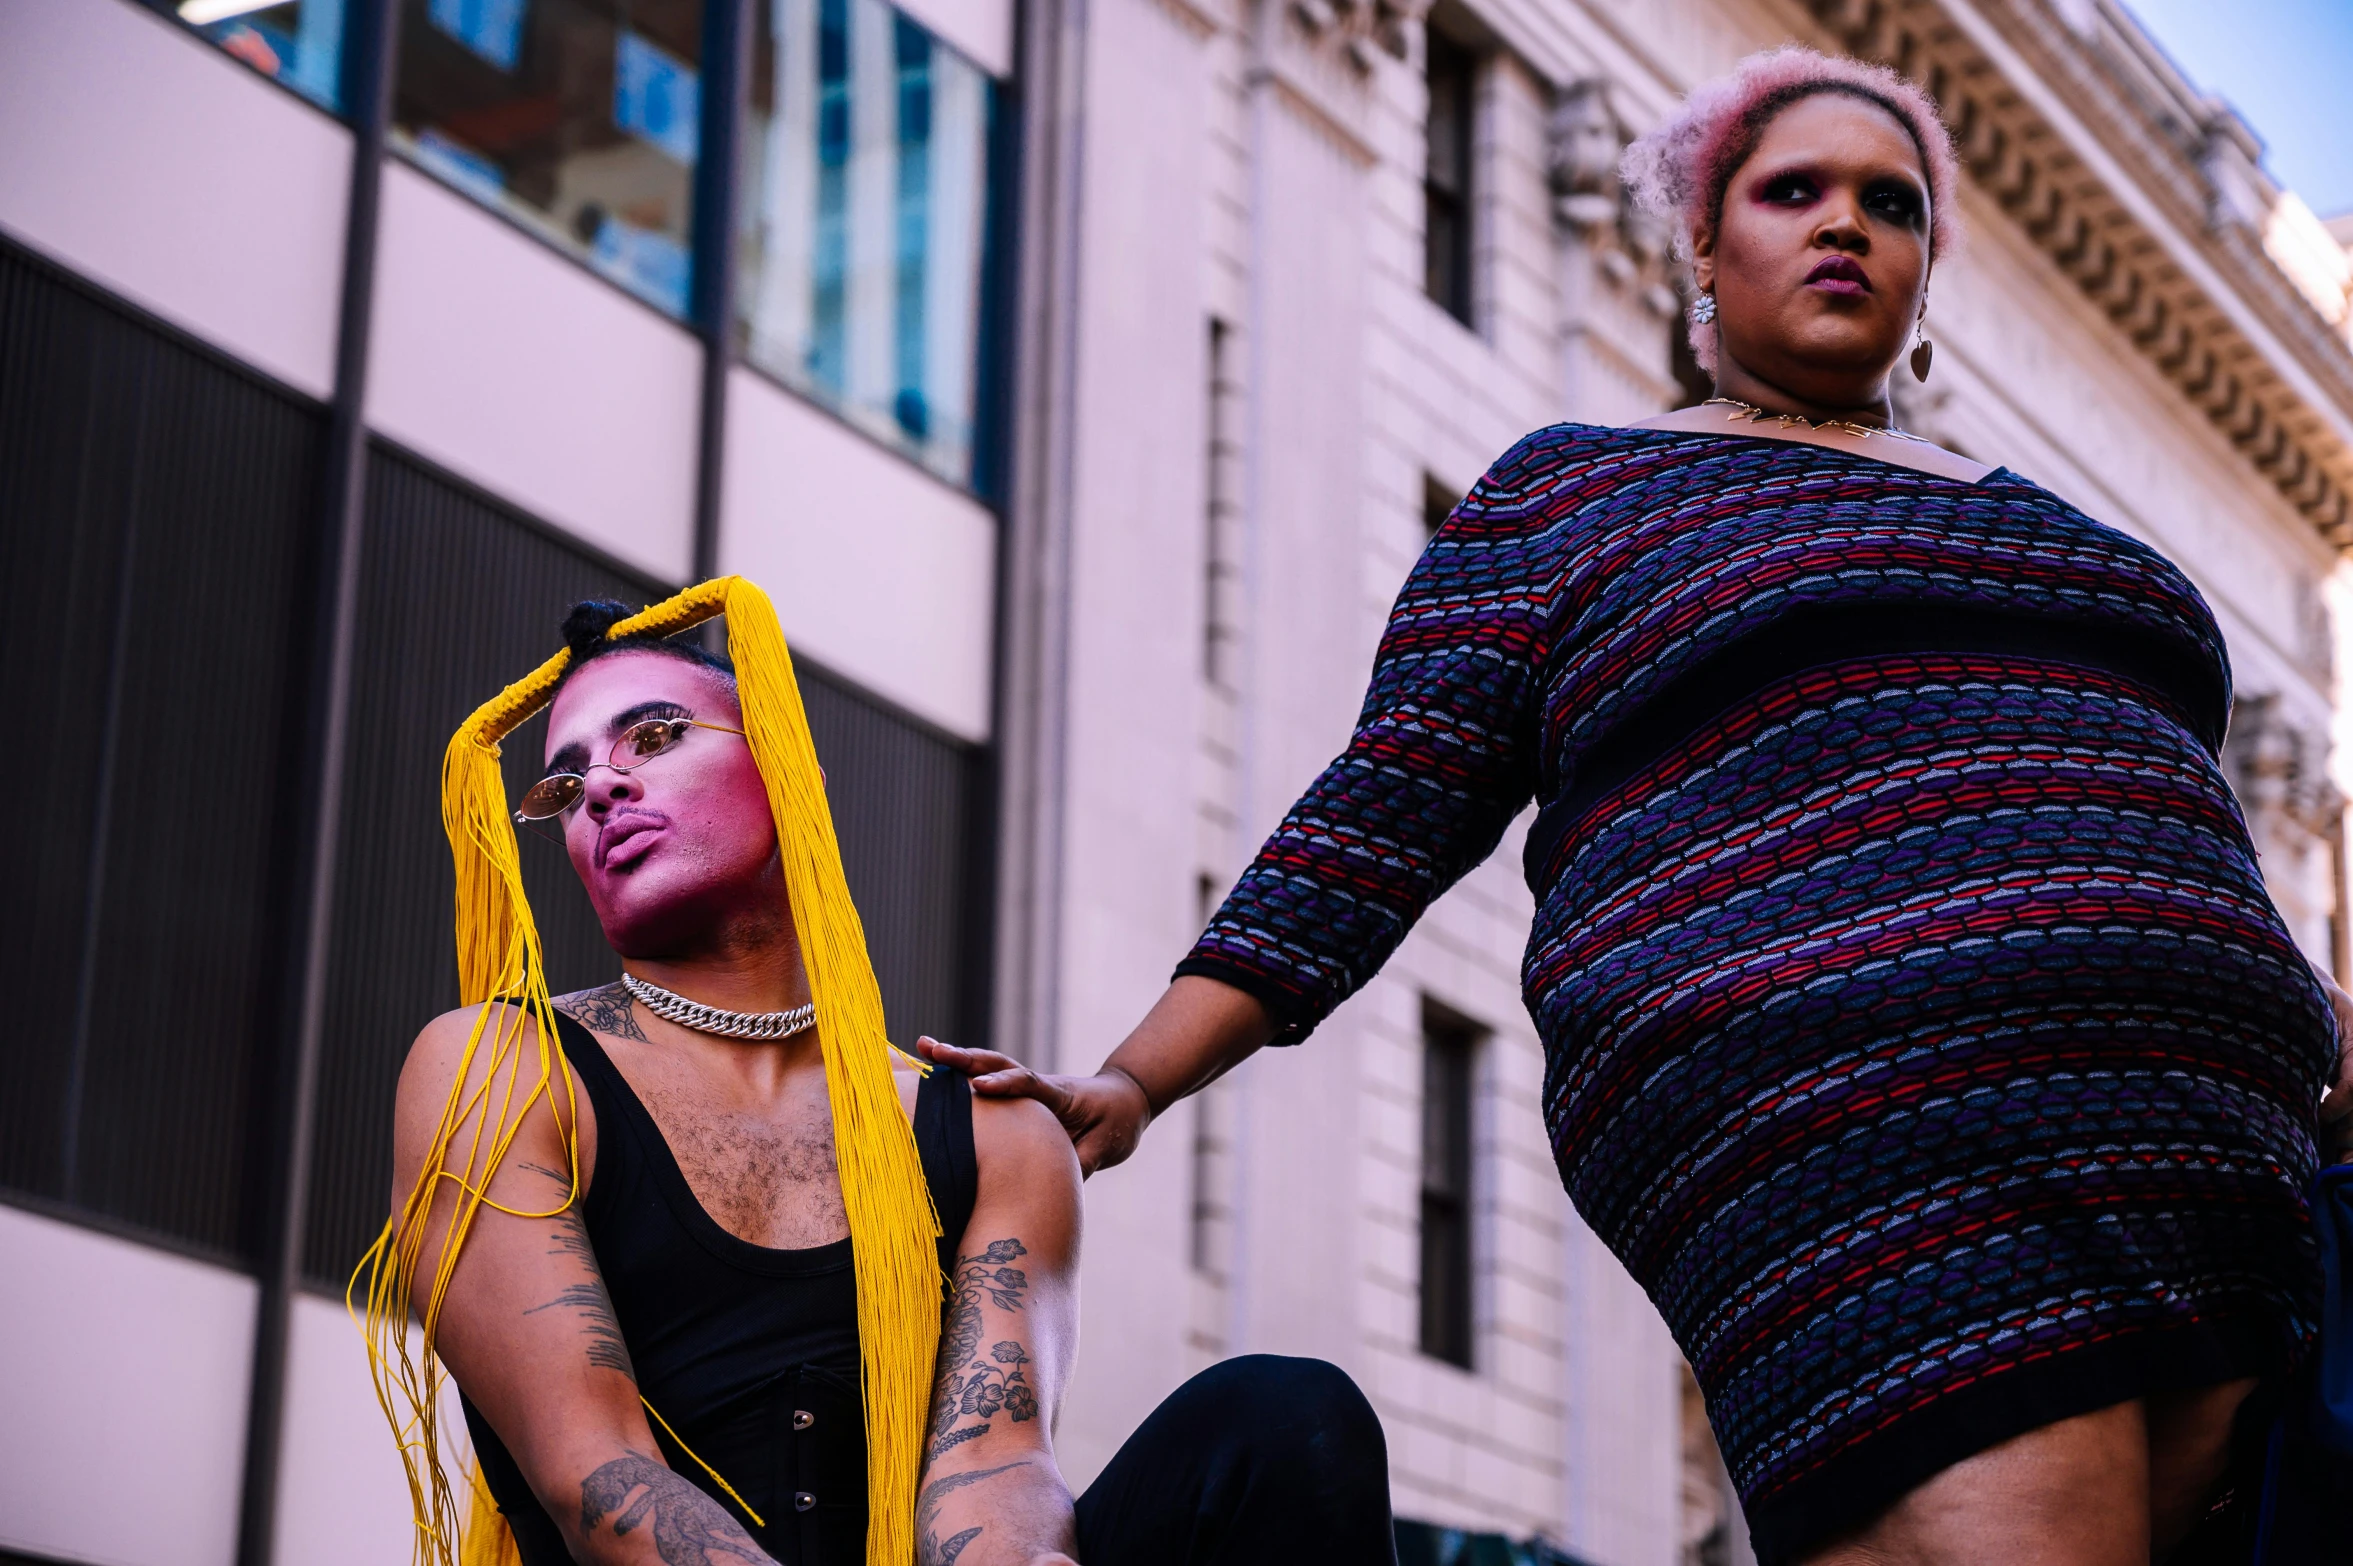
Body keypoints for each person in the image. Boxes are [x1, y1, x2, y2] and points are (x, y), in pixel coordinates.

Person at [919, 47, 2353, 1566]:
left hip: (2214, 1168)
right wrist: (1133, 1081)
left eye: (1891, 202)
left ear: (1929, 272)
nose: (1845, 225)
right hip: (1880, 1118)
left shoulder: (2060, 535)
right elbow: (1372, 823)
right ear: (1701, 243)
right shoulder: (1572, 495)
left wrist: (2296, 1017)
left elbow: (2183, 839)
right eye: (1791, 190)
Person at [361, 580, 1397, 1566]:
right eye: (566, 782)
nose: (602, 789)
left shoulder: (996, 1133)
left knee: (1283, 1419)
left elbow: (992, 1466)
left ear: (787, 769)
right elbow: (596, 1476)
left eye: (656, 736)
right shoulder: (501, 1068)